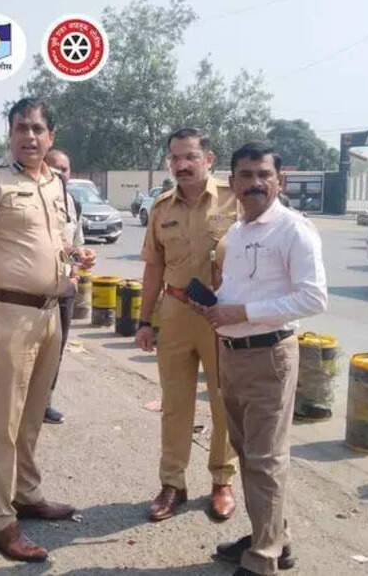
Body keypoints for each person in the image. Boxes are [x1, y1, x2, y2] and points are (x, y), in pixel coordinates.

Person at [0, 97, 95, 562]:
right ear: (10, 133)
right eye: (21, 128)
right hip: (11, 314)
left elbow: (58, 240)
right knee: (6, 420)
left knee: (34, 413)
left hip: (50, 312)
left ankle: (27, 493)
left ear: (51, 136)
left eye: (38, 129)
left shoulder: (55, 183)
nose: (29, 136)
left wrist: (76, 259)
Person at [195, 142, 327, 576]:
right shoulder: (237, 232)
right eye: (246, 175)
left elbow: (313, 298)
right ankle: (272, 538)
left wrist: (244, 313)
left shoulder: (294, 229)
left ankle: (262, 560)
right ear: (232, 182)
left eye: (263, 175)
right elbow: (240, 290)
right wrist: (217, 305)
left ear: (279, 181)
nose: (254, 183)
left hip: (269, 355)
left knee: (265, 459)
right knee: (249, 456)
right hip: (232, 354)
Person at [135, 127, 239, 524]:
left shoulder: (233, 200)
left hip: (220, 316)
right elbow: (153, 268)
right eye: (175, 158)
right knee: (175, 404)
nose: (182, 164)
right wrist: (144, 320)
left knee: (223, 402)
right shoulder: (162, 208)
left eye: (190, 156)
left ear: (208, 159)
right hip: (176, 312)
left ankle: (222, 481)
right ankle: (172, 483)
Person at [42, 148, 84, 424]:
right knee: (29, 352)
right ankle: (19, 405)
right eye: (54, 168)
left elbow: (76, 244)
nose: (59, 173)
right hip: (35, 290)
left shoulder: (72, 203)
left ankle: (44, 402)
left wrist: (76, 274)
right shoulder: (32, 198)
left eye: (64, 169)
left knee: (56, 349)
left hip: (64, 288)